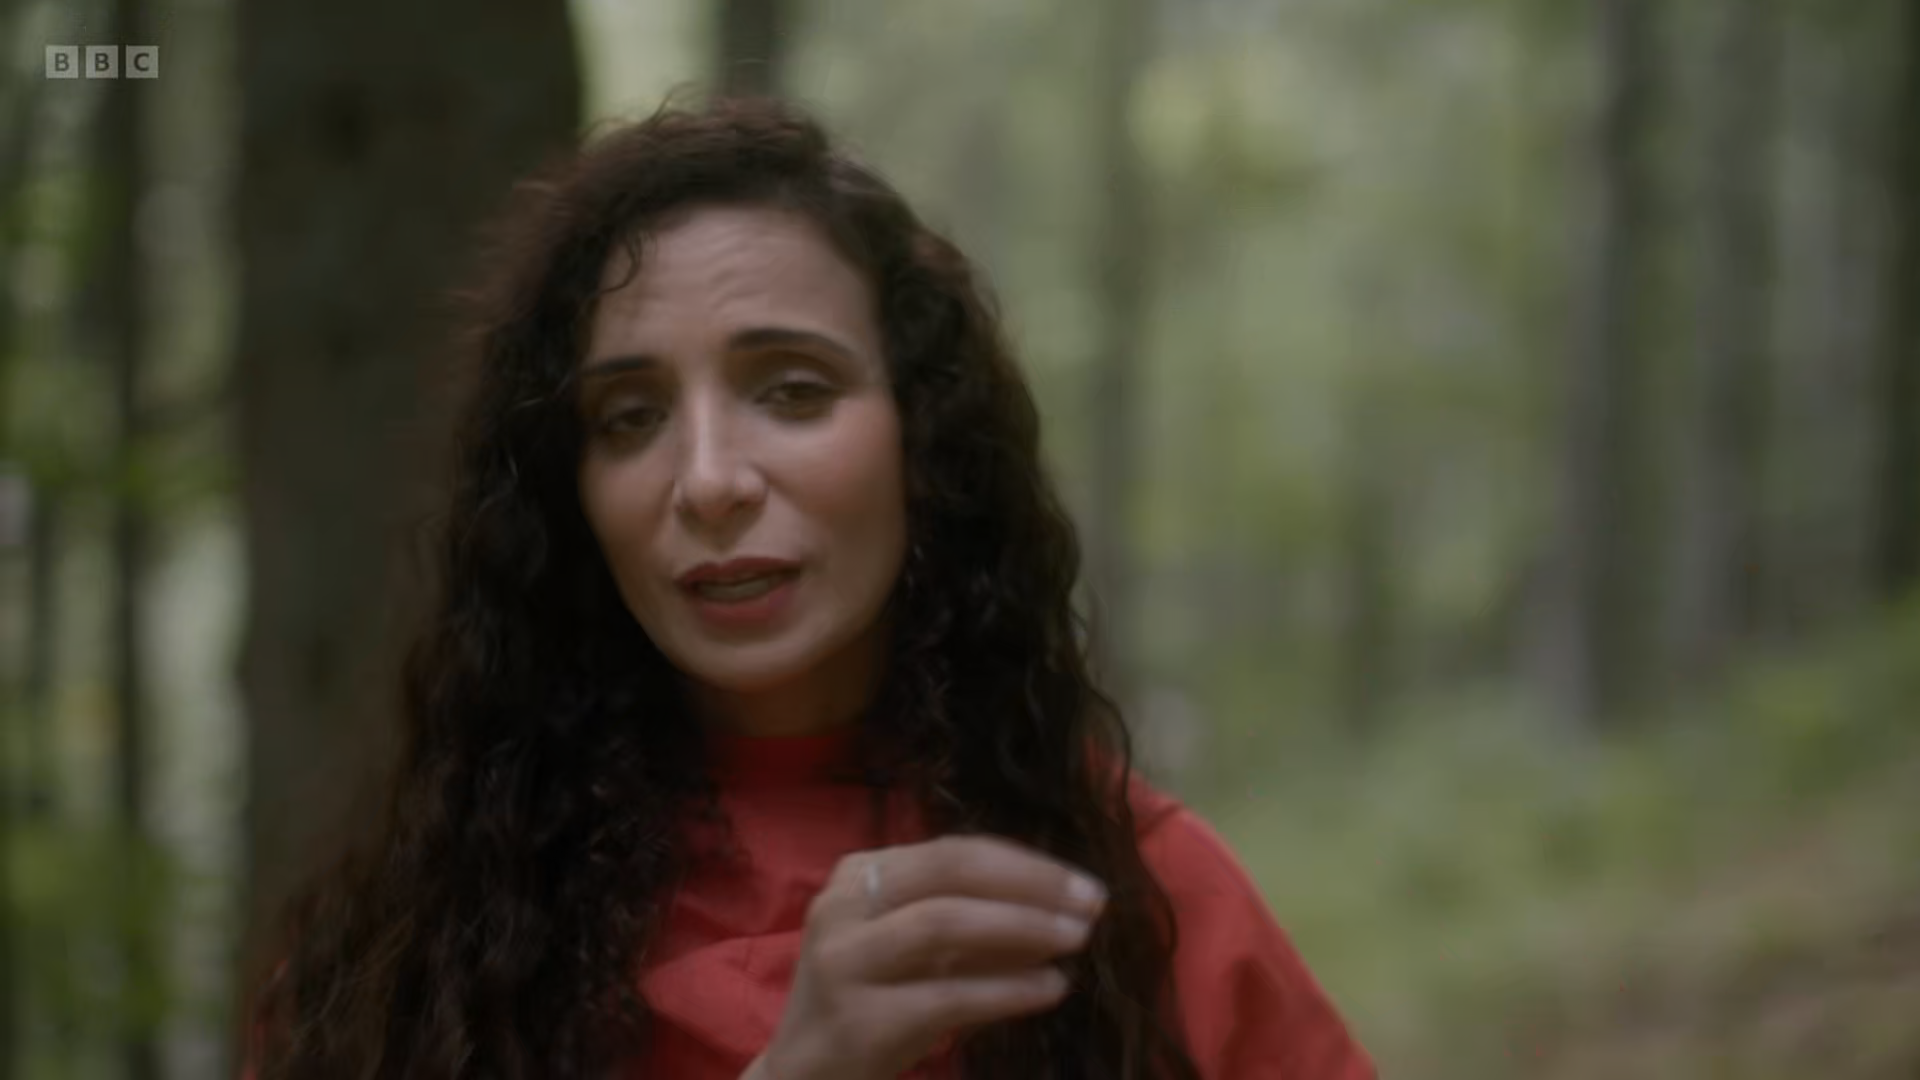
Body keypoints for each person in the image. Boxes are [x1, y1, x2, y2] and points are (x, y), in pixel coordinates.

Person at [242, 97, 1374, 1080]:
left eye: (791, 391)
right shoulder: (415, 949)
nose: (709, 481)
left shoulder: (1143, 898)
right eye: (630, 418)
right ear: (567, 492)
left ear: (922, 441)